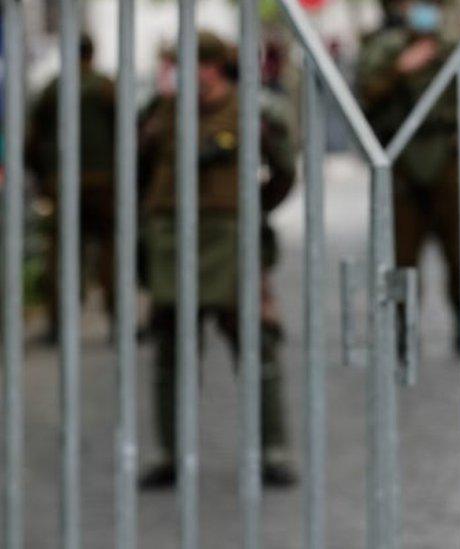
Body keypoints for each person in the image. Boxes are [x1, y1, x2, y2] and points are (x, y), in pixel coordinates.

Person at [138, 31, 297, 488]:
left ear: (209, 66)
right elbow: (138, 173)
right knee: (171, 353)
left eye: (184, 63)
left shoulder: (255, 111)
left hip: (230, 243)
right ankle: (171, 453)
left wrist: (253, 209)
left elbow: (284, 170)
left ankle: (272, 451)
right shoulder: (159, 113)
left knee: (257, 347)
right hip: (172, 243)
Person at [356, 0, 460, 352]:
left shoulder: (453, 45)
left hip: (447, 160)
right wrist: (400, 68)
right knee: (401, 256)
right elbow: (365, 94)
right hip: (401, 163)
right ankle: (402, 333)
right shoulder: (384, 47)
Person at [26, 34, 116, 343]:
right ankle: (117, 320)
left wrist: (43, 179)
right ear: (92, 54)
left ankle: (58, 326)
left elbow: (32, 139)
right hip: (105, 185)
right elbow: (128, 135)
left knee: (62, 257)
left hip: (62, 184)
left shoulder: (54, 89)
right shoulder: (106, 87)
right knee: (110, 253)